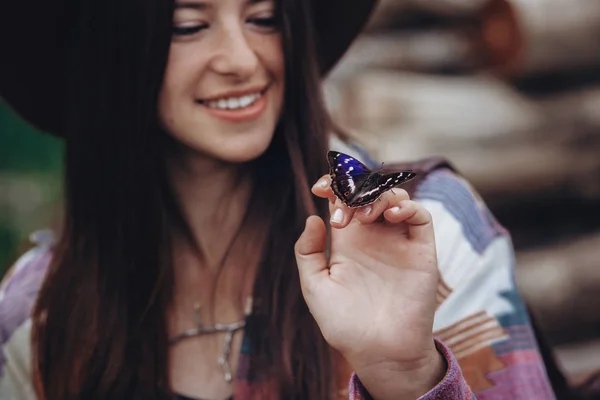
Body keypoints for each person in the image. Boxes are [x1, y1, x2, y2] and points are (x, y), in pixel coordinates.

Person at [0, 0, 556, 398]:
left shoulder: (416, 233)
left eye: (264, 19)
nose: (243, 60)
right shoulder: (40, 317)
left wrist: (406, 376)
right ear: (110, 55)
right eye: (188, 26)